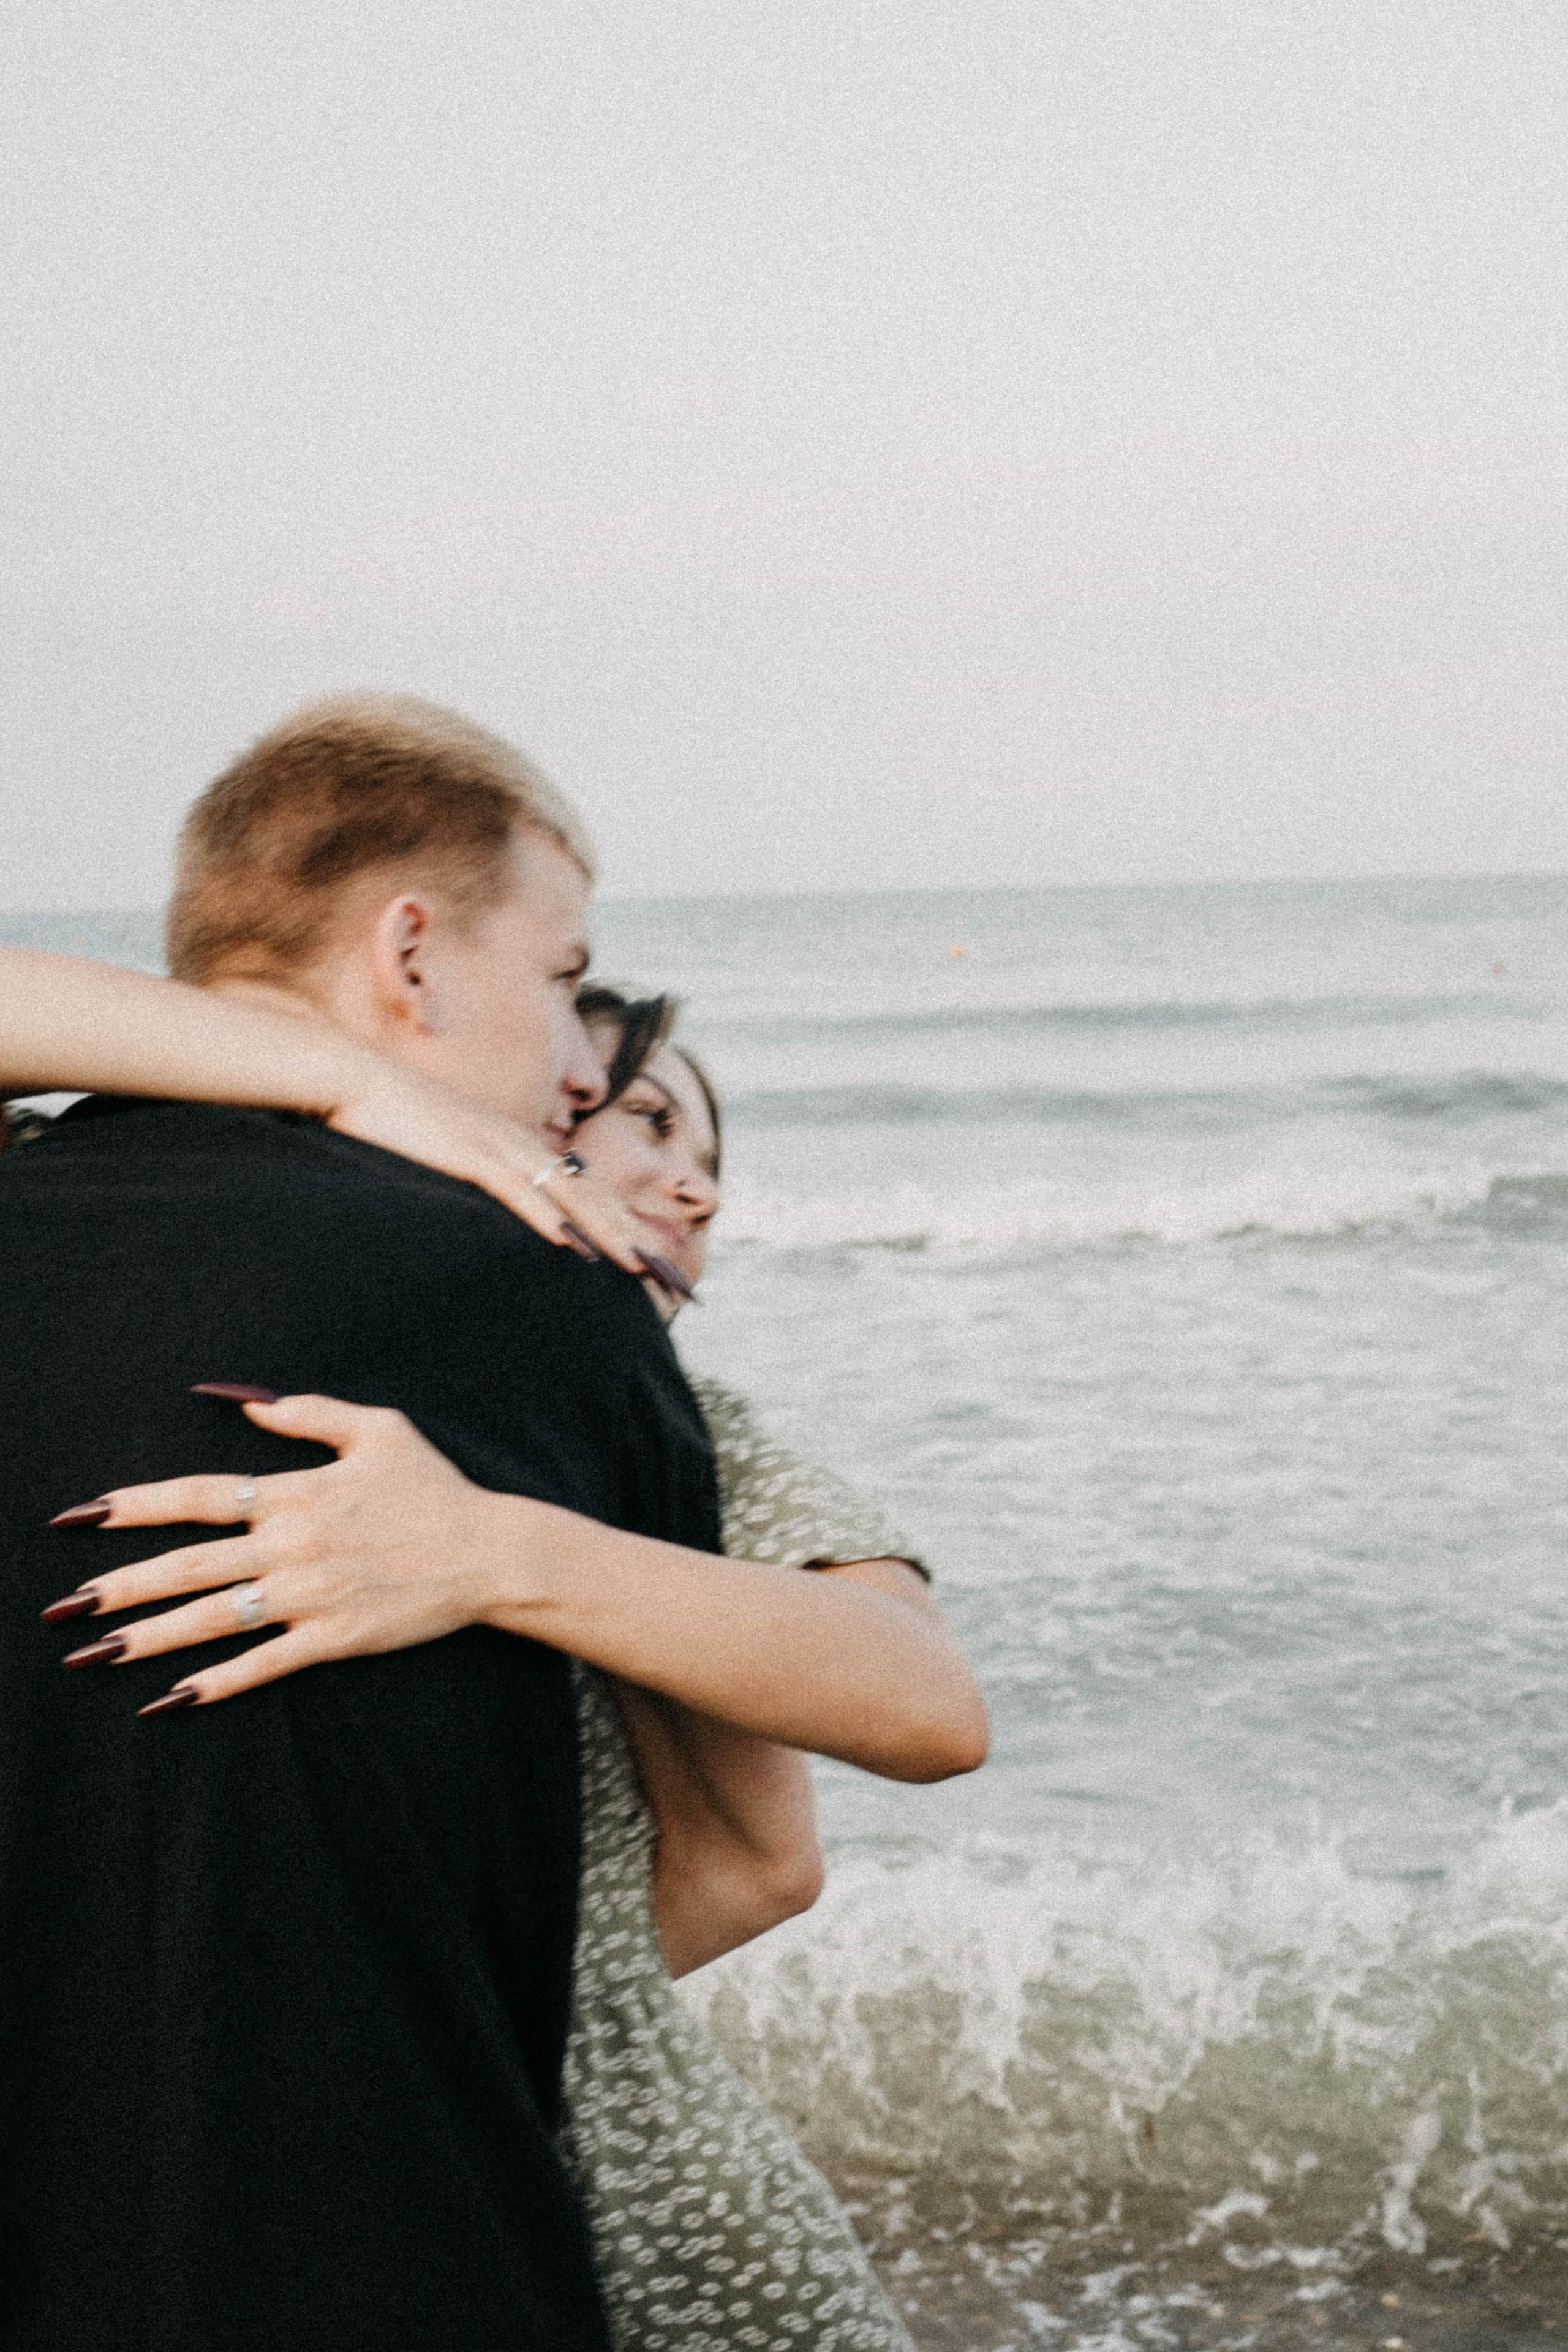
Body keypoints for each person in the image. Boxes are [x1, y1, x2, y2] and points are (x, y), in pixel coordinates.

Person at [0, 701, 987, 2352]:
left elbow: (892, 1724)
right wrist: (333, 1078)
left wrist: (489, 1552)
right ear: (411, 952)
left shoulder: (60, 1231)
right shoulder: (533, 1300)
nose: (584, 1071)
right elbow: (769, 1853)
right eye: (557, 984)